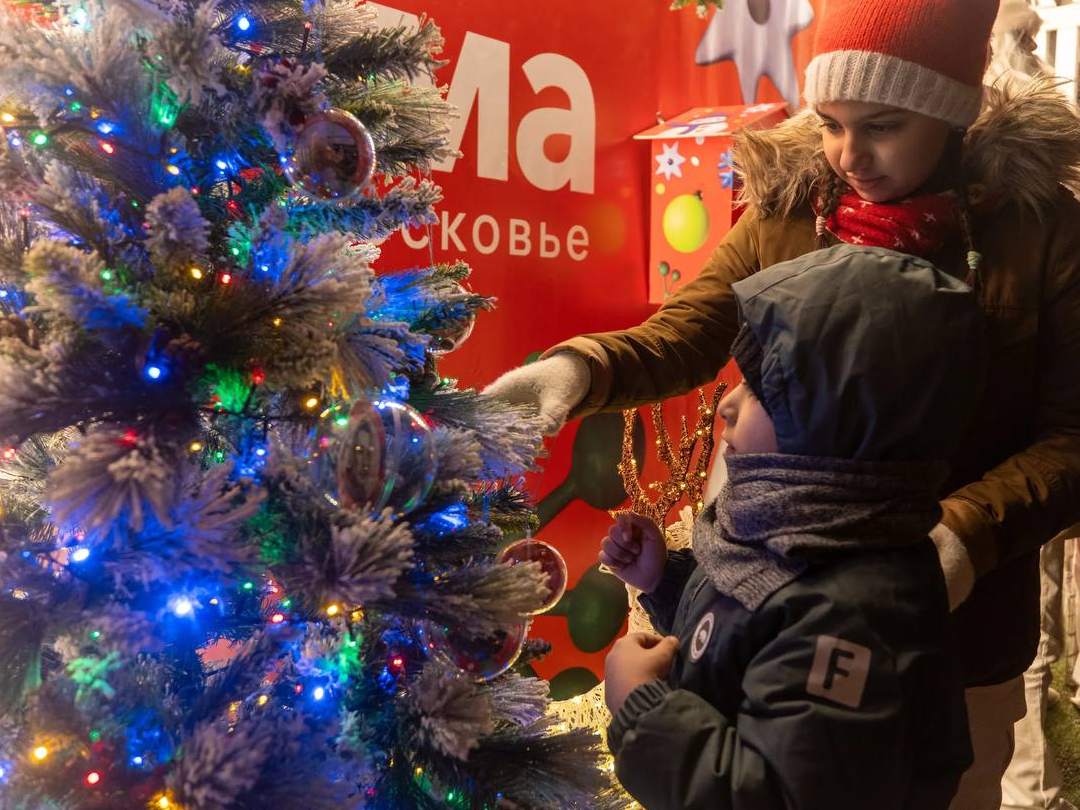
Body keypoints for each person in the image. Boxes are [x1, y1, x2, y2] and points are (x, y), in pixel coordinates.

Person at [483, 0, 1080, 807]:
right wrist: (580, 371)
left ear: (951, 107)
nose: (848, 155)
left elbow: (1070, 436)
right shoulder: (795, 205)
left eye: (882, 125)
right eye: (830, 123)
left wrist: (963, 535)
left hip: (951, 628)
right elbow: (687, 332)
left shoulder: (1038, 229)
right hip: (766, 598)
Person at [599, 244, 981, 810]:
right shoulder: (801, 530)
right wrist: (667, 580)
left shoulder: (851, 617)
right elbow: (753, 636)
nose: (726, 404)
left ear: (837, 426)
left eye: (760, 390)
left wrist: (641, 707)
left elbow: (776, 795)